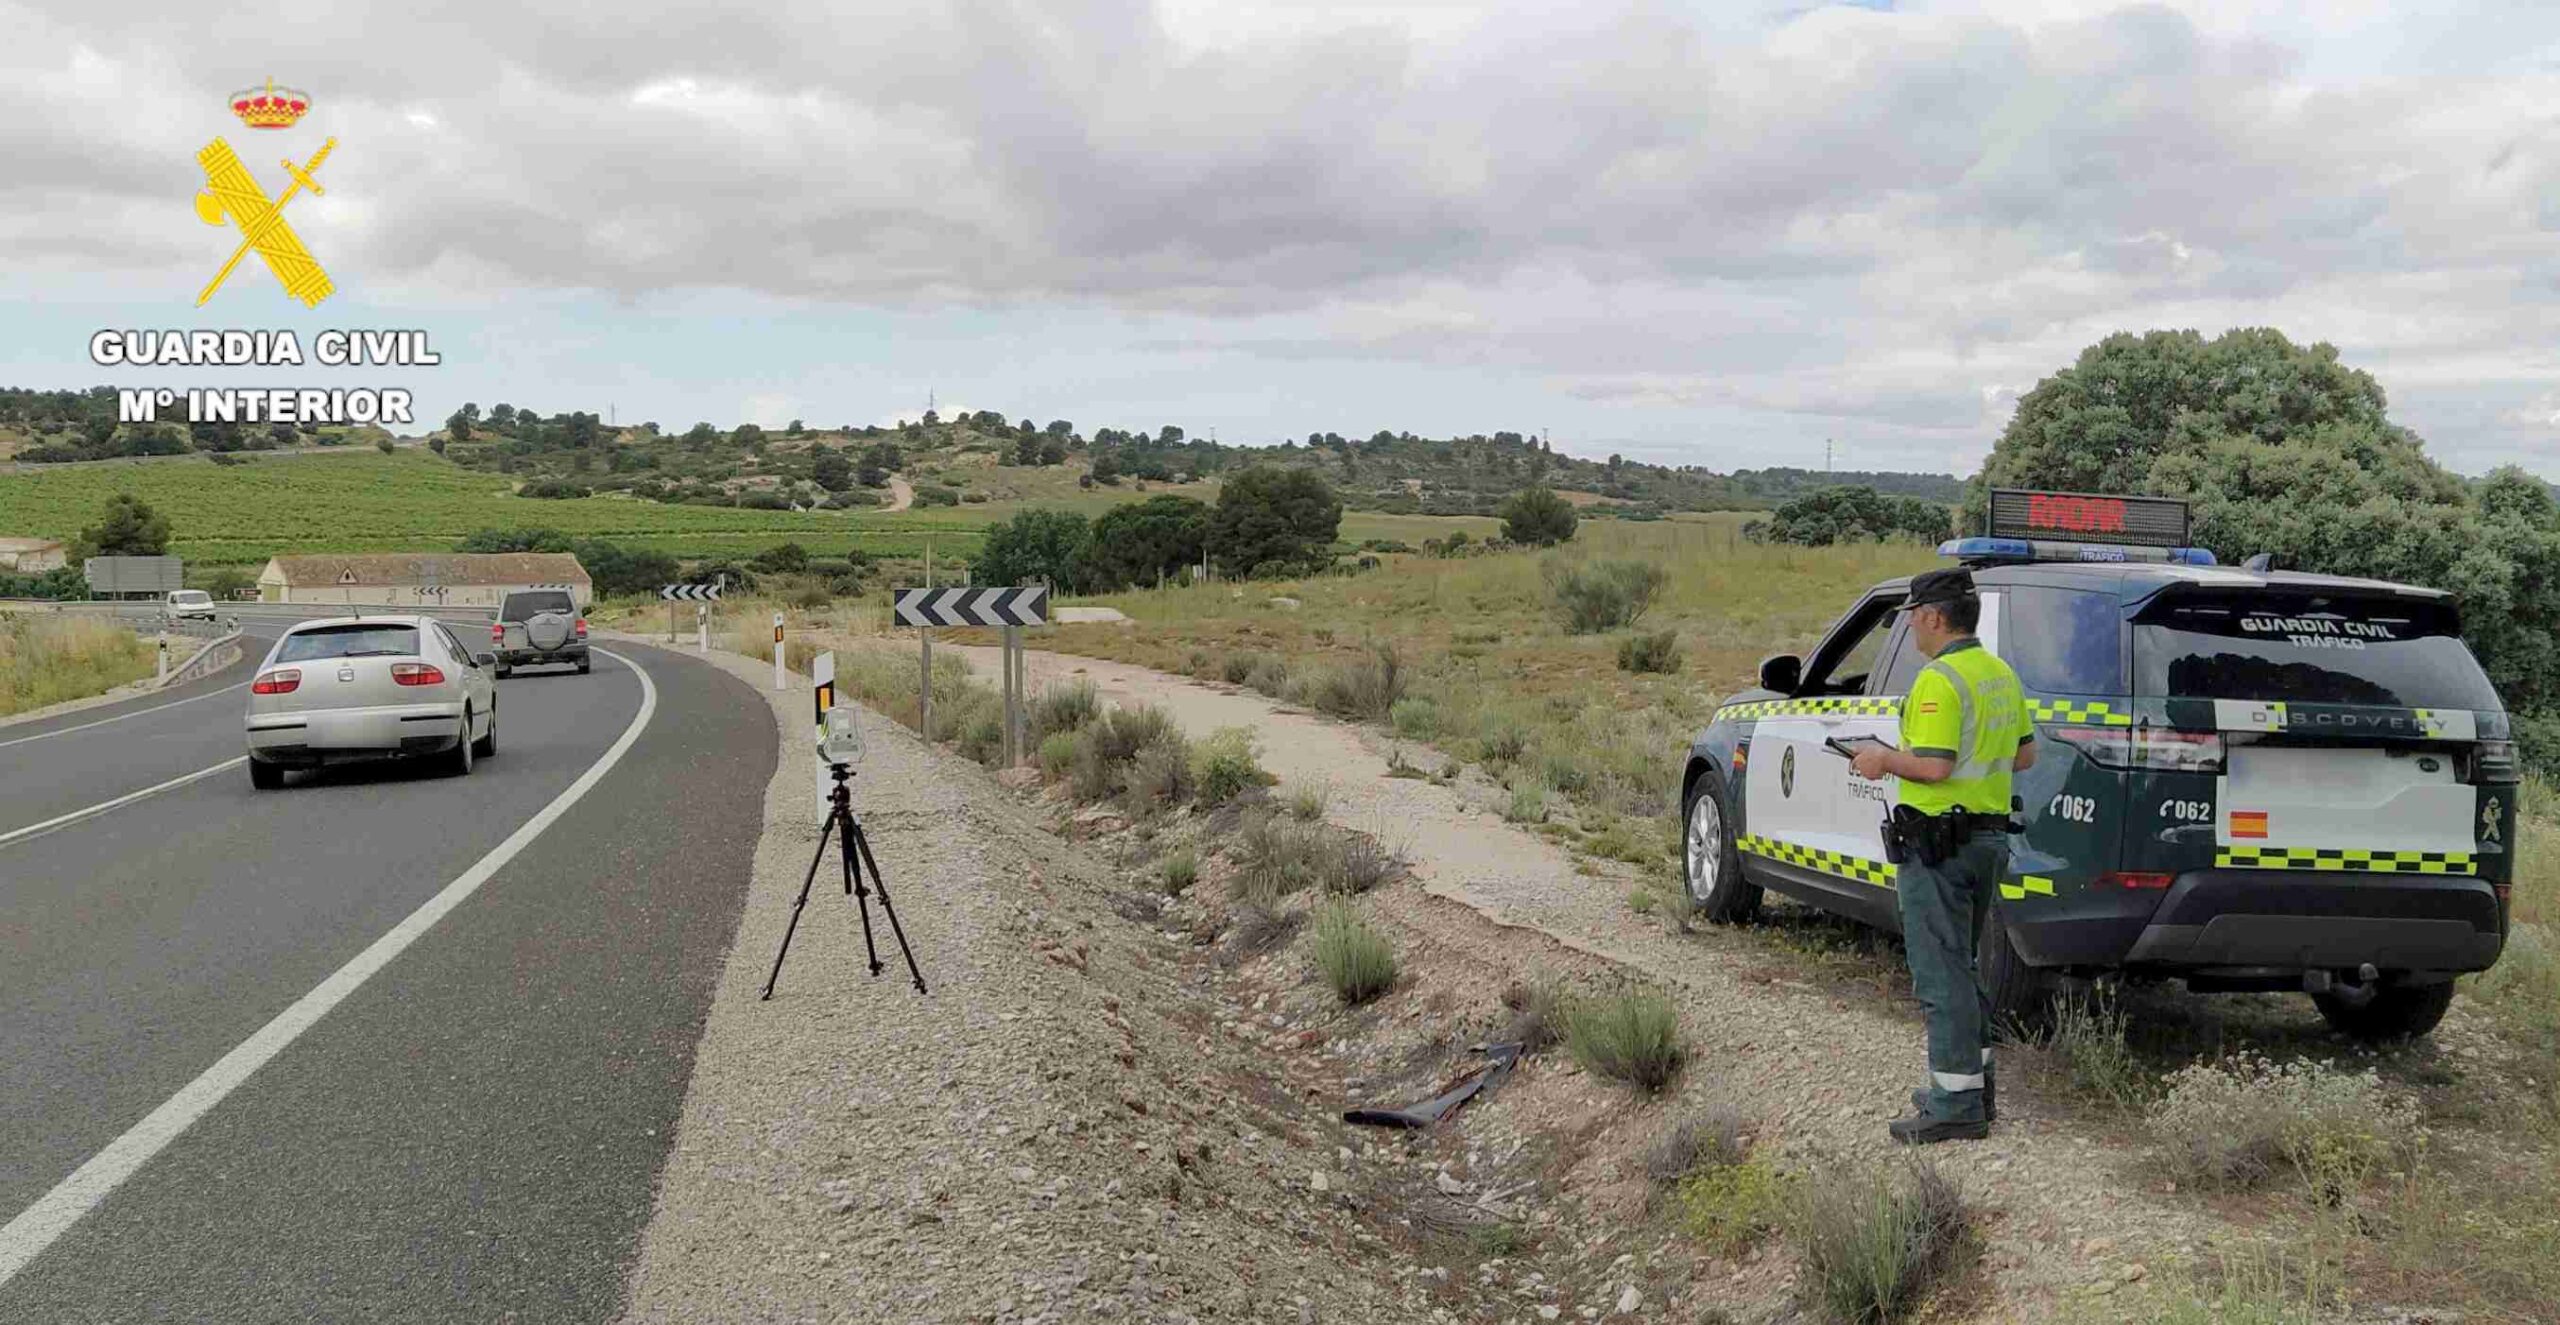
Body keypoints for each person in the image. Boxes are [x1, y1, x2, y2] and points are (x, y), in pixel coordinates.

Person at [1849, 566, 2037, 1144]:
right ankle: (1970, 1088)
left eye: (1911, 615)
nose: (1909, 625)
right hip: (1987, 841)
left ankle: (1955, 1107)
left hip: (1938, 847)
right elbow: (2025, 756)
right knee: (1964, 964)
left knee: (1941, 971)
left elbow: (1933, 766)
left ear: (1933, 616)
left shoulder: (1940, 678)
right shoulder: (1999, 674)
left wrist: (1880, 757)